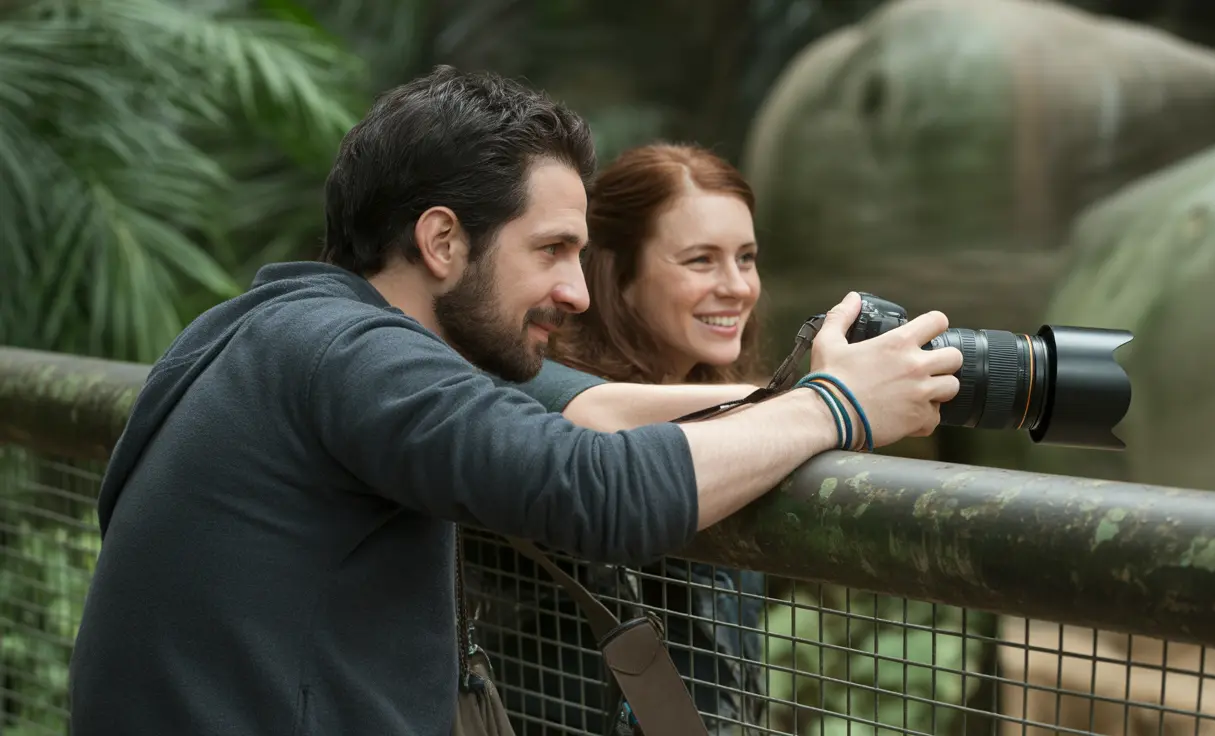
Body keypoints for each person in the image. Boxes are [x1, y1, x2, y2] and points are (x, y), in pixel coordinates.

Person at [66, 65, 962, 736]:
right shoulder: (348, 355)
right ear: (443, 241)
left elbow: (584, 411)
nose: (577, 292)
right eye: (552, 250)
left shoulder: (263, 324)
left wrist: (816, 389)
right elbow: (598, 491)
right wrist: (833, 409)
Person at [468, 142, 775, 735]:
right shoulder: (525, 377)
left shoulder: (747, 416)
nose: (737, 286)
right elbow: (600, 420)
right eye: (701, 261)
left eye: (747, 257)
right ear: (619, 275)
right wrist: (827, 401)